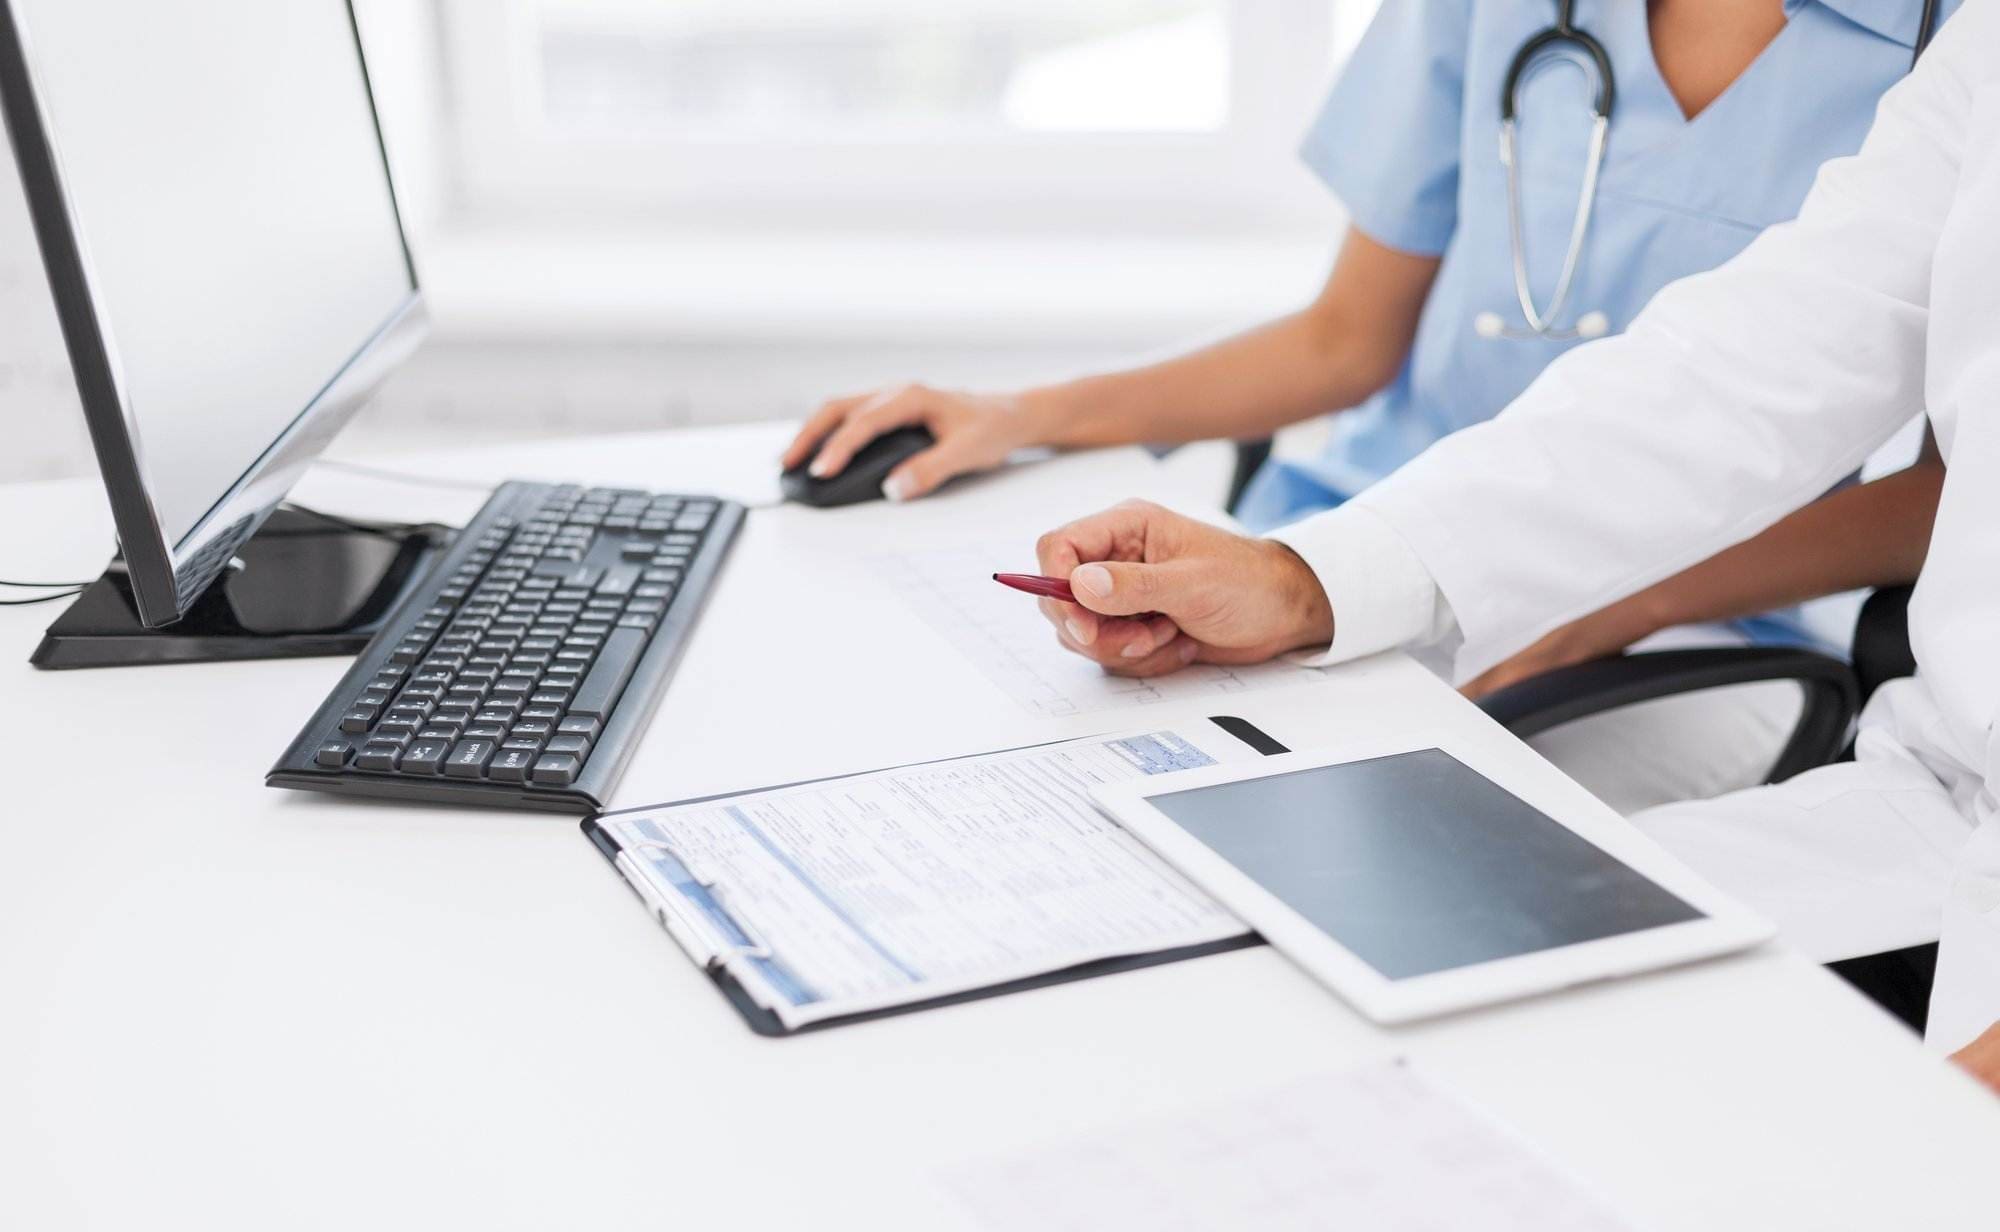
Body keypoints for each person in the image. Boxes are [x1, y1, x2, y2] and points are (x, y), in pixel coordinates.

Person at [1021, 0, 2000, 1088]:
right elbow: (1739, 371)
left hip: (1811, 746)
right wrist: (1302, 578)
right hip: (1919, 810)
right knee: (1277, 988)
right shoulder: (1982, 56)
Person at [786, 1, 1954, 805]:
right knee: (1013, 778)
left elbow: (1949, 482)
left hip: (1688, 630)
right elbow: (1344, 337)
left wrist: (1596, 598)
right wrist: (1020, 412)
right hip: (1359, 544)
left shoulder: (1948, 56)